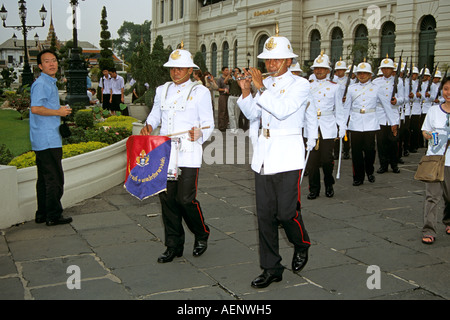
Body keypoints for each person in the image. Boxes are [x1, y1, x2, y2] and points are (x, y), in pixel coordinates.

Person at [237, 31, 318, 289]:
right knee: (265, 216)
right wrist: (246, 91)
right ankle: (271, 267)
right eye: (267, 60)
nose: (270, 65)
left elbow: (283, 111)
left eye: (276, 60)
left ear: (288, 60)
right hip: (264, 154)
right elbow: (253, 115)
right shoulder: (266, 84)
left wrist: (260, 87)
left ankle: (301, 242)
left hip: (288, 155)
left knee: (286, 212)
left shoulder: (301, 84)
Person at [140, 45, 214, 263]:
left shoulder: (200, 92)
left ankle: (201, 233)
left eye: (181, 68)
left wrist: (200, 132)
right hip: (165, 152)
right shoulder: (161, 90)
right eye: (172, 68)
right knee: (167, 199)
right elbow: (155, 114)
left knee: (185, 199)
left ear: (190, 70)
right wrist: (149, 125)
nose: (176, 72)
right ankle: (173, 245)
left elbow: (208, 123)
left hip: (189, 150)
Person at [29, 49, 73, 226]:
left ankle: (42, 213)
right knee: (55, 178)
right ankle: (53, 215)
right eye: (47, 61)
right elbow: (35, 108)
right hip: (47, 139)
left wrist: (59, 112)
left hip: (44, 137)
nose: (52, 64)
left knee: (44, 178)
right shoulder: (42, 84)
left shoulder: (49, 83)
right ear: (40, 66)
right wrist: (59, 112)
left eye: (54, 60)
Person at [306, 52, 345, 199]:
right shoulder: (307, 86)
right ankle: (314, 189)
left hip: (328, 125)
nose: (319, 71)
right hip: (311, 126)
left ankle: (329, 184)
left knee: (327, 160)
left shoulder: (335, 87)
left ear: (328, 70)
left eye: (322, 68)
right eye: (316, 68)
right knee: (312, 161)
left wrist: (342, 127)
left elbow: (339, 109)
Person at [420, 76, 450, 244]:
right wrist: (428, 135)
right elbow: (424, 130)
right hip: (434, 160)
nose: (448, 92)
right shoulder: (433, 110)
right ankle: (429, 229)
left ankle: (449, 220)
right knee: (432, 197)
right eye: (446, 89)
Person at [343, 61, 380, 186]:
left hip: (371, 122)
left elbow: (385, 105)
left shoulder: (376, 88)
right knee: (356, 152)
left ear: (370, 75)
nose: (362, 75)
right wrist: (343, 124)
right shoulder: (351, 88)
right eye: (360, 73)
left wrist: (393, 122)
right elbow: (347, 107)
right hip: (355, 122)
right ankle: (358, 176)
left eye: (365, 73)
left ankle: (369, 171)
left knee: (370, 150)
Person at [373, 55, 404, 174]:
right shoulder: (376, 82)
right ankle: (383, 164)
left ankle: (394, 164)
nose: (386, 71)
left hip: (393, 113)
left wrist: (397, 100)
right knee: (381, 143)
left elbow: (403, 98)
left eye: (388, 68)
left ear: (392, 70)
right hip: (380, 115)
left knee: (393, 142)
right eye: (384, 68)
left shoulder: (399, 82)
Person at [226, 67, 242, 134]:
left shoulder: (240, 79)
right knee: (231, 114)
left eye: (236, 71)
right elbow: (225, 82)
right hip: (231, 96)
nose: (234, 72)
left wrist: (238, 77)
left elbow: (240, 85)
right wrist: (229, 74)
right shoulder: (231, 79)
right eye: (234, 71)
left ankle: (236, 128)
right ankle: (233, 129)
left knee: (236, 114)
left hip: (238, 97)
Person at [216, 67, 230, 131]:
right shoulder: (219, 79)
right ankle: (221, 126)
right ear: (223, 71)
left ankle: (226, 125)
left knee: (227, 111)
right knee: (222, 111)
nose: (227, 71)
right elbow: (217, 88)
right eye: (226, 70)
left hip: (229, 96)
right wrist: (224, 89)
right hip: (222, 96)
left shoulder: (229, 79)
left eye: (228, 70)